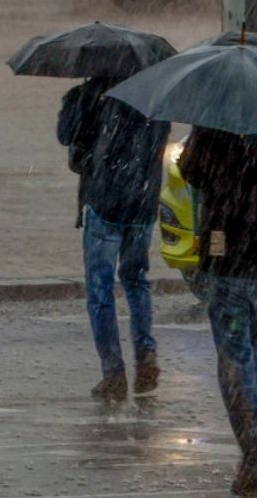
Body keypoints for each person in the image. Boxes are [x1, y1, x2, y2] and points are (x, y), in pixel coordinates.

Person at [179, 127, 257, 497]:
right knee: (248, 356)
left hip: (229, 257)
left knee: (235, 363)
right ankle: (256, 459)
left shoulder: (217, 124)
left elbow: (192, 172)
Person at [57, 77, 170, 402]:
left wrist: (80, 97)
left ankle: (113, 372)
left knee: (100, 289)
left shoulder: (93, 95)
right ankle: (145, 352)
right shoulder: (154, 97)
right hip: (142, 205)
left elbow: (67, 136)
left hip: (105, 201)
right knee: (136, 280)